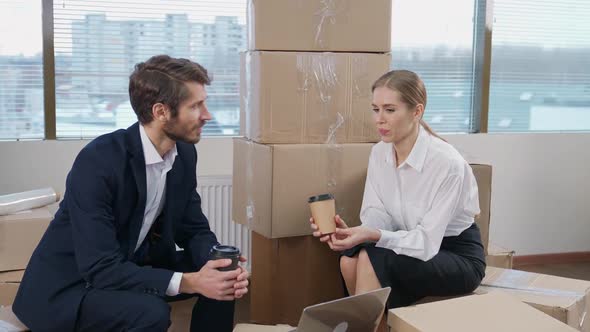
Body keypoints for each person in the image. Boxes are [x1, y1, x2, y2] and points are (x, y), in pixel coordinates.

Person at [13, 55, 249, 332]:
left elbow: (194, 228)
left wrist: (215, 258)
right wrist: (190, 281)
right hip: (74, 285)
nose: (207, 115)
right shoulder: (99, 161)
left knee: (224, 278)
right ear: (161, 112)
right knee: (150, 313)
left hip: (129, 264)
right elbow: (100, 267)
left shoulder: (184, 154)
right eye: (196, 106)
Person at [311, 69, 485, 330]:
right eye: (375, 109)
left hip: (454, 254)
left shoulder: (447, 164)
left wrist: (373, 236)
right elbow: (375, 212)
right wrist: (356, 233)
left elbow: (427, 242)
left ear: (417, 111)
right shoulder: (379, 153)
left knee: (371, 257)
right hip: (408, 242)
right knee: (349, 258)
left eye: (390, 110)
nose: (379, 119)